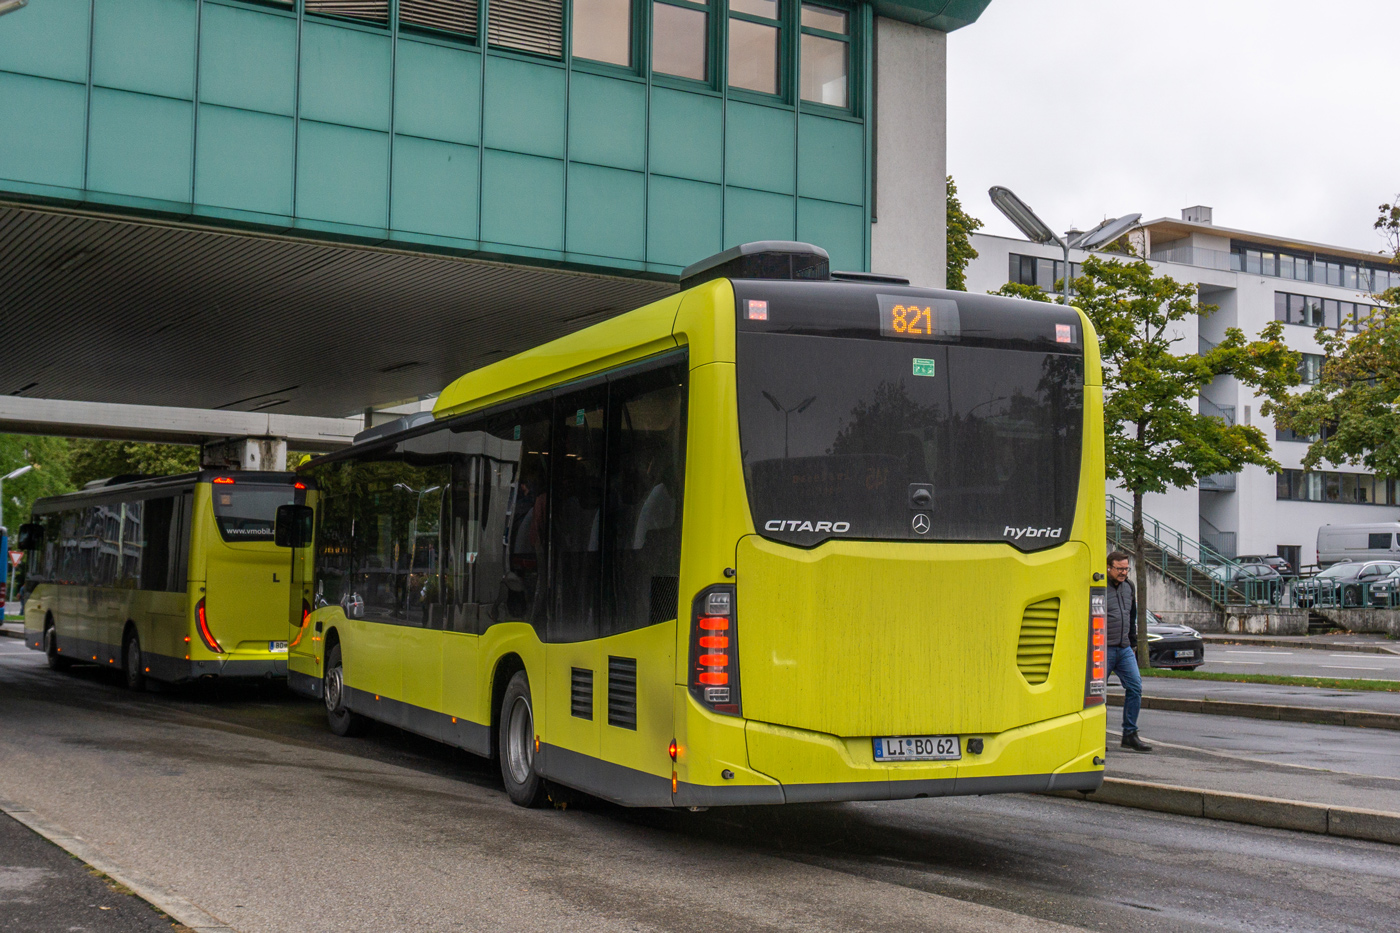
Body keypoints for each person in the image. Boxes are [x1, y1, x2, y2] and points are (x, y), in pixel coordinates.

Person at [1106, 551, 1152, 752]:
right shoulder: (1097, 586)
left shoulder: (1129, 587)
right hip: (1102, 648)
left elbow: (1131, 616)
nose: (1123, 572)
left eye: (1126, 568)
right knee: (1097, 694)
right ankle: (1096, 736)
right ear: (1108, 568)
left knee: (1135, 687)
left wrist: (1132, 642)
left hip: (1124, 648)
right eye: (1120, 569)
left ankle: (1129, 734)